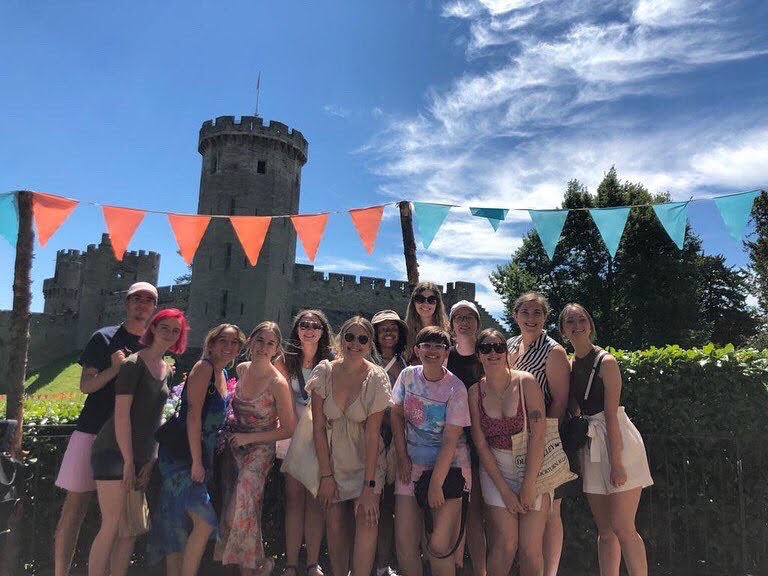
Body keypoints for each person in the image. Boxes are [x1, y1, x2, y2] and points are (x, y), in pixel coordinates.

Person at [53, 281, 157, 576]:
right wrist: (115, 369)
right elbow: (86, 385)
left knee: (119, 519)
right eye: (136, 298)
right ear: (126, 303)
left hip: (126, 444)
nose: (142, 304)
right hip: (91, 432)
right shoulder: (104, 337)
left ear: (154, 308)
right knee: (74, 510)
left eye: (148, 300)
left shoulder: (153, 346)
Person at [87, 308, 188, 576]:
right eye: (164, 327)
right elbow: (121, 414)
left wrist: (150, 458)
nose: (169, 334)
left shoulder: (167, 369)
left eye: (175, 330)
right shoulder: (134, 364)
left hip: (140, 455)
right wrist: (128, 459)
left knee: (130, 529)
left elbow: (155, 419)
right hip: (113, 450)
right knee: (111, 525)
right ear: (153, 328)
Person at [559, 304, 652, 576]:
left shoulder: (606, 362)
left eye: (581, 319)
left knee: (624, 527)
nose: (576, 325)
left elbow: (611, 415)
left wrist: (618, 463)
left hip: (616, 440)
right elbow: (575, 408)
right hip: (592, 443)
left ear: (590, 324)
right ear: (563, 330)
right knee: (605, 531)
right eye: (570, 322)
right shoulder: (569, 364)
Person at [147, 323, 246, 576]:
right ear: (211, 343)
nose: (229, 347)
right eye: (223, 341)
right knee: (204, 523)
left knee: (176, 523)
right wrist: (197, 462)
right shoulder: (204, 368)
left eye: (235, 342)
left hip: (198, 455)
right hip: (183, 456)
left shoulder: (222, 374)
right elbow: (192, 417)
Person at [296, 316, 392, 576]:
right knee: (335, 523)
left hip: (367, 462)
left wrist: (369, 487)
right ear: (341, 338)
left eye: (362, 339)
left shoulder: (376, 377)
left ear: (369, 343)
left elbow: (373, 435)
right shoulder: (324, 371)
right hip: (333, 460)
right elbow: (317, 427)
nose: (355, 343)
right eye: (350, 336)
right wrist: (326, 476)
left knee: (367, 518)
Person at [215, 322, 296, 576]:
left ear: (276, 349)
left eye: (270, 343)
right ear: (250, 341)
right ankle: (256, 567)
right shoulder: (242, 368)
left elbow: (288, 429)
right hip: (234, 447)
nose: (263, 347)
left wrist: (249, 439)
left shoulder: (277, 382)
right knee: (244, 510)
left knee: (236, 512)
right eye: (260, 340)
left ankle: (257, 566)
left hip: (259, 452)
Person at [391, 326, 471, 576]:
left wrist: (436, 483)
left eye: (439, 346)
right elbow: (396, 413)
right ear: (417, 350)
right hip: (411, 464)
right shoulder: (407, 376)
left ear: (447, 352)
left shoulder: (455, 389)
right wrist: (402, 457)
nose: (432, 351)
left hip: (449, 470)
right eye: (426, 345)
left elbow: (450, 440)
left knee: (438, 546)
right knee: (405, 541)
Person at [469, 329, 548, 576]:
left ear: (506, 352)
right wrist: (505, 490)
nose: (493, 353)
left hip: (532, 464)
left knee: (530, 547)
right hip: (496, 468)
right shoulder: (475, 392)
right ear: (479, 355)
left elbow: (539, 434)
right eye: (486, 348)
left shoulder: (526, 382)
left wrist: (529, 483)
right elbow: (480, 443)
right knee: (505, 543)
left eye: (498, 347)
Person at [506, 292, 571, 576]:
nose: (531, 319)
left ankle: (550, 572)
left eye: (537, 313)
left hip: (543, 437)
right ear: (515, 316)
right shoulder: (510, 345)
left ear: (545, 317)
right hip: (515, 438)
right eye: (525, 313)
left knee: (550, 508)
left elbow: (559, 400)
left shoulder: (552, 350)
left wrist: (545, 440)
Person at [275, 310, 335, 576]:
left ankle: (312, 562)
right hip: (291, 439)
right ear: (297, 330)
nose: (309, 330)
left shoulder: (333, 363)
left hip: (321, 441)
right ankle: (290, 563)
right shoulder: (284, 361)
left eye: (315, 325)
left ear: (323, 331)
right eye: (303, 325)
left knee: (315, 501)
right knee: (293, 500)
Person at [446, 301, 486, 576]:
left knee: (477, 511)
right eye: (458, 317)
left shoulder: (489, 354)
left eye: (470, 317)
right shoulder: (445, 356)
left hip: (483, 441)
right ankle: (454, 565)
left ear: (478, 323)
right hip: (451, 442)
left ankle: (480, 569)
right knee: (453, 505)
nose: (464, 322)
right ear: (450, 324)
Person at [371, 310, 409, 576]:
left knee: (387, 507)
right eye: (382, 328)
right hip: (367, 440)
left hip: (392, 441)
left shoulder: (404, 366)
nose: (387, 333)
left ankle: (383, 564)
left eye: (393, 329)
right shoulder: (364, 360)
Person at [405, 282, 450, 364]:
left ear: (437, 304)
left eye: (431, 300)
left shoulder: (449, 332)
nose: (425, 304)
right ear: (414, 303)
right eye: (420, 299)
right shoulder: (405, 332)